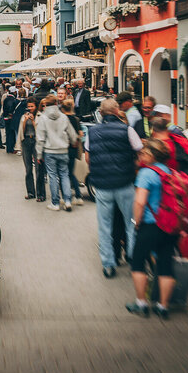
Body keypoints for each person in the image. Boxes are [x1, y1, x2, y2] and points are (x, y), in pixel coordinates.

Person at [85, 98, 143, 278]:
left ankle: (108, 264)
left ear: (101, 113)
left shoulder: (92, 132)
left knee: (105, 226)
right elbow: (140, 153)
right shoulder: (128, 130)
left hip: (102, 186)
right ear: (117, 111)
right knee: (131, 222)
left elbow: (88, 158)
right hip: (125, 183)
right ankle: (133, 256)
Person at [126, 139, 179, 320]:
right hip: (169, 226)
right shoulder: (170, 172)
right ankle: (163, 307)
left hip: (150, 224)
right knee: (165, 265)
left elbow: (140, 201)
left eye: (143, 153)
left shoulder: (146, 173)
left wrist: (135, 221)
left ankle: (141, 303)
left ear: (151, 155)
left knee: (138, 263)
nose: (140, 156)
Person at [36, 95, 79, 211]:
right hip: (63, 150)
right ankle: (68, 201)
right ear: (56, 104)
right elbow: (72, 133)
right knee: (64, 175)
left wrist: (39, 155)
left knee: (52, 176)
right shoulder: (64, 117)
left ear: (46, 105)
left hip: (49, 150)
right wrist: (74, 141)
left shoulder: (43, 118)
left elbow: (40, 138)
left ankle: (55, 203)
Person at [18, 99, 46, 202]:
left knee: (39, 169)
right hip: (26, 141)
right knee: (28, 168)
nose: (30, 108)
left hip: (36, 141)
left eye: (32, 106)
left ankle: (41, 194)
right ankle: (30, 192)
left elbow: (40, 131)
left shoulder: (40, 116)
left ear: (36, 107)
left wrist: (33, 121)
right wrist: (25, 120)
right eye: (29, 106)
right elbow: (22, 130)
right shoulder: (24, 116)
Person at [60, 99, 84, 205]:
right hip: (73, 149)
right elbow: (79, 134)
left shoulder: (63, 119)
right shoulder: (76, 119)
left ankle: (65, 196)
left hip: (64, 148)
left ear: (63, 109)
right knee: (71, 173)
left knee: (62, 173)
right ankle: (78, 195)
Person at [2, 87, 19, 153]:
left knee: (8, 133)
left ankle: (9, 148)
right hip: (10, 118)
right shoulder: (12, 100)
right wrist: (11, 113)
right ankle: (10, 148)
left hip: (6, 118)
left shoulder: (6, 99)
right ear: (14, 92)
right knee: (11, 134)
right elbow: (10, 108)